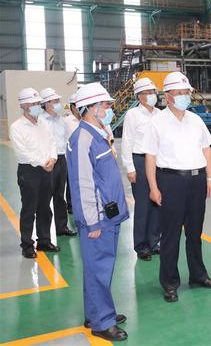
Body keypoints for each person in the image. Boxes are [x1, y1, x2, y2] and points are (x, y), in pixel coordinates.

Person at [143, 71, 211, 303]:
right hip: (171, 181)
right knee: (171, 235)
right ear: (168, 96)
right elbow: (150, 157)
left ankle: (198, 275)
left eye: (187, 92)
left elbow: (206, 149)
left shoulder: (195, 120)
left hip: (197, 181)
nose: (186, 96)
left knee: (195, 232)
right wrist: (153, 187)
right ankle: (170, 282)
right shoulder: (156, 122)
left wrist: (210, 178)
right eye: (181, 93)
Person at [66, 82, 129, 342]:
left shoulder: (97, 133)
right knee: (98, 267)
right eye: (105, 105)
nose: (109, 109)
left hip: (109, 214)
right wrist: (91, 223)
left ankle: (98, 312)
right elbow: (82, 184)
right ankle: (102, 322)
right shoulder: (82, 138)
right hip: (98, 219)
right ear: (90, 108)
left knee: (100, 267)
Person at [9, 88, 59, 258]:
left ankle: (44, 241)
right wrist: (42, 163)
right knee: (29, 209)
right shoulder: (17, 127)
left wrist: (52, 158)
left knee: (45, 207)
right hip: (29, 171)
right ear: (23, 105)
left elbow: (52, 143)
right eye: (33, 103)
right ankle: (27, 244)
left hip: (47, 169)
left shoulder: (43, 123)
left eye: (38, 103)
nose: (36, 106)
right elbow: (22, 153)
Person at [121, 77, 161, 261]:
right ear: (139, 96)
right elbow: (127, 142)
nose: (152, 95)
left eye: (153, 92)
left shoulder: (160, 114)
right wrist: (130, 168)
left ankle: (154, 241)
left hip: (159, 162)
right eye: (147, 93)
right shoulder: (132, 115)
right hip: (140, 160)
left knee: (157, 203)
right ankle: (141, 245)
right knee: (143, 205)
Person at [39, 88, 77, 237]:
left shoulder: (61, 120)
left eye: (58, 101)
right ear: (46, 104)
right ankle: (44, 235)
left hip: (62, 160)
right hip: (47, 161)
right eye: (55, 101)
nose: (58, 103)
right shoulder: (40, 120)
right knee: (44, 198)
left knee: (60, 196)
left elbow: (67, 140)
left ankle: (61, 228)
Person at [63, 93, 80, 214]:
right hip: (71, 157)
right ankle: (71, 205)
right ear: (73, 107)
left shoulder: (86, 120)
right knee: (72, 182)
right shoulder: (66, 121)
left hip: (85, 156)